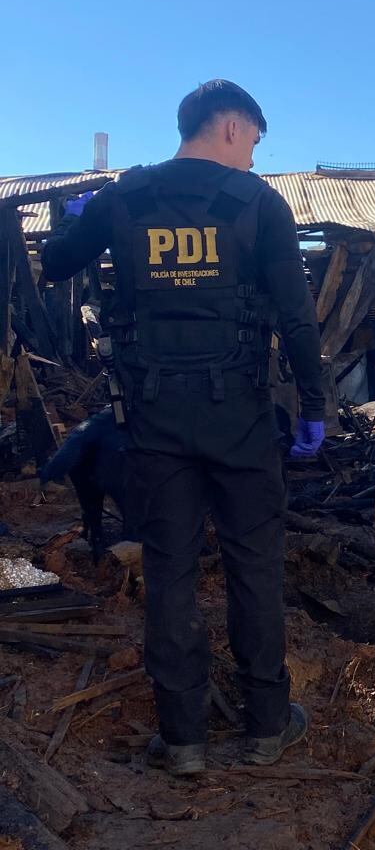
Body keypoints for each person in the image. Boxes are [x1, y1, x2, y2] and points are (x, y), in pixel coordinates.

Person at [41, 79, 324, 775]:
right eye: (253, 141)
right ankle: (266, 727)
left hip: (154, 417)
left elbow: (55, 262)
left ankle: (183, 739)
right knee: (253, 565)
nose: (253, 158)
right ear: (229, 127)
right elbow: (296, 318)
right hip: (240, 418)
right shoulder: (258, 203)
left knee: (169, 569)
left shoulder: (125, 198)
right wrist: (315, 406)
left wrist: (79, 219)